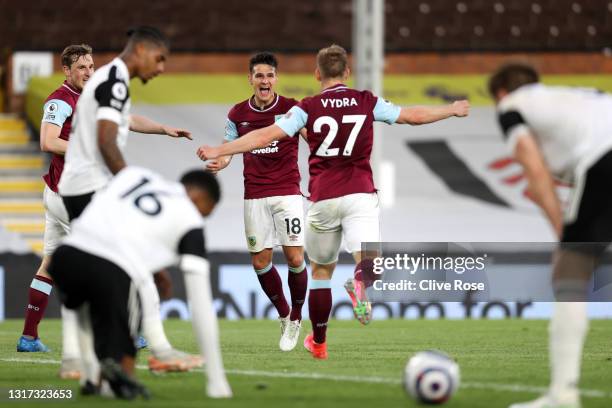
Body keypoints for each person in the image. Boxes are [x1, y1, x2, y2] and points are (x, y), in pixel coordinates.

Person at [197, 44, 470, 359]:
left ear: (317, 74)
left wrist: (220, 151)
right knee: (369, 264)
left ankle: (319, 343)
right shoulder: (366, 101)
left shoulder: (307, 108)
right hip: (360, 194)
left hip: (322, 199)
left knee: (321, 273)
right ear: (348, 73)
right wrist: (450, 109)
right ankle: (358, 284)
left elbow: (265, 136)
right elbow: (411, 116)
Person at [58, 26, 199, 373]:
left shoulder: (109, 80)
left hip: (81, 186)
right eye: (160, 58)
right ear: (140, 51)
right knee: (139, 270)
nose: (162, 67)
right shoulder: (115, 81)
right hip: (92, 187)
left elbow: (117, 125)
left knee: (111, 276)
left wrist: (162, 129)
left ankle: (78, 359)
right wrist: (130, 188)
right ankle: (153, 353)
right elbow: (106, 141)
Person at [48, 166, 232, 400]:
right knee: (131, 312)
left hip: (66, 257)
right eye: (207, 213)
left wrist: (157, 268)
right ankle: (121, 376)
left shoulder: (135, 175)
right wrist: (217, 381)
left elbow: (110, 216)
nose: (203, 218)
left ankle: (90, 376)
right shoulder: (191, 219)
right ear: (201, 198)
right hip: (111, 269)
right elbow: (200, 303)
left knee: (84, 304)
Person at [489, 63, 612, 408]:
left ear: (500, 93)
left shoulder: (510, 106)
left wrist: (563, 234)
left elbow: (534, 167)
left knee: (569, 270)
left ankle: (563, 394)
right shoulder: (572, 96)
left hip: (604, 158)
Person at [204, 52, 307, 351]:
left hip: (287, 192)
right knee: (260, 261)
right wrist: (219, 163)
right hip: (255, 195)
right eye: (259, 75)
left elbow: (310, 137)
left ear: (276, 79)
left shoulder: (291, 109)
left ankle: (298, 318)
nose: (265, 81)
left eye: (270, 75)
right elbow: (227, 150)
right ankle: (285, 315)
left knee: (296, 258)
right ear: (250, 79)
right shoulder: (237, 114)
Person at [17, 44, 93, 380]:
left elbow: (126, 119)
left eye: (91, 66)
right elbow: (48, 141)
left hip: (57, 191)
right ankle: (115, 333)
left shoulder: (88, 98)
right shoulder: (60, 100)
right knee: (100, 258)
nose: (88, 72)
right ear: (66, 70)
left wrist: (162, 129)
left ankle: (29, 336)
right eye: (81, 67)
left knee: (50, 263)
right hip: (67, 196)